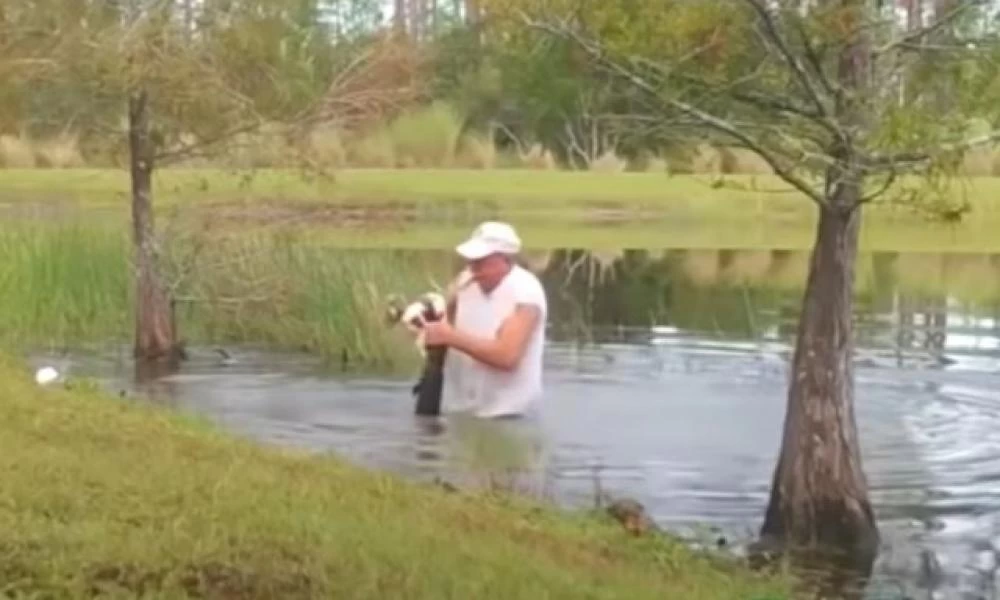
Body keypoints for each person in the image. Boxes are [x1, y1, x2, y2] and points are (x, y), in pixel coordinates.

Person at [420, 221, 547, 418]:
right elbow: (443, 328)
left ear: (505, 258)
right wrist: (425, 326)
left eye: (481, 260)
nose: (473, 267)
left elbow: (507, 357)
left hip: (510, 416)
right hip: (462, 411)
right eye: (471, 260)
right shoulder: (464, 283)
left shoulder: (526, 294)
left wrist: (450, 337)